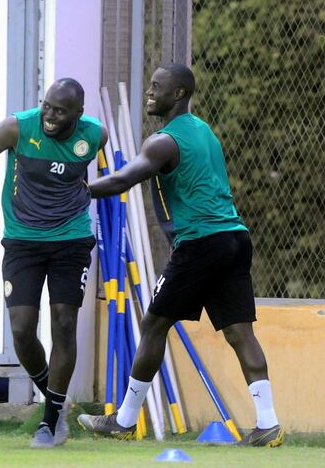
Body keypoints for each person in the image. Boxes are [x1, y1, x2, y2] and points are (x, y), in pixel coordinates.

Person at [76, 63, 283, 447]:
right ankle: (268, 423)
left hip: (201, 243)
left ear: (179, 94)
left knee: (154, 324)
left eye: (157, 87)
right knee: (240, 332)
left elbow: (124, 179)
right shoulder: (203, 130)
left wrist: (77, 190)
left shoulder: (162, 141)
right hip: (234, 238)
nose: (149, 92)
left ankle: (123, 421)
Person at [0, 78, 108, 448]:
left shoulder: (94, 135)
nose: (49, 115)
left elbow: (97, 175)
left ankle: (50, 422)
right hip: (22, 242)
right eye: (46, 105)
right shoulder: (18, 126)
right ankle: (56, 399)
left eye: (60, 111)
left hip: (71, 240)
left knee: (64, 324)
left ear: (77, 114)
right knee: (21, 329)